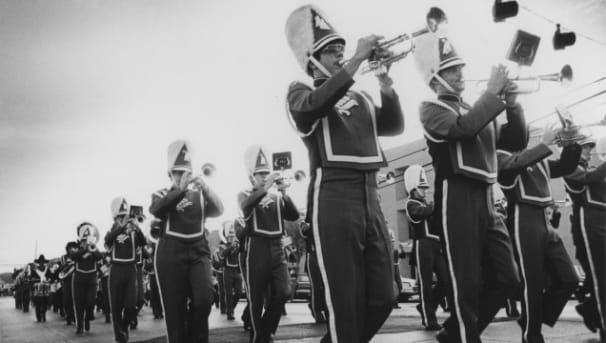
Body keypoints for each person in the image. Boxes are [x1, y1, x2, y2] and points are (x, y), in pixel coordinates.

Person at [285, 5, 405, 342]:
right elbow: (312, 107)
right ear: (313, 59)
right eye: (332, 52)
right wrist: (355, 60)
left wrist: (384, 80)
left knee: (385, 296)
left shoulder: (361, 95)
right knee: (345, 306)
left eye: (342, 51)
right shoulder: (300, 91)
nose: (340, 56)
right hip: (334, 196)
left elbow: (393, 126)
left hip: (370, 196)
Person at [413, 17, 524, 342]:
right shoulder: (430, 107)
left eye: (460, 67)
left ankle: (455, 333)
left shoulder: (474, 106)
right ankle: (464, 334)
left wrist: (513, 106)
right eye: (453, 69)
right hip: (456, 195)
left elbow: (514, 141)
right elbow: (463, 129)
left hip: (487, 198)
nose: (461, 73)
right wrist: (491, 94)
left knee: (509, 278)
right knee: (466, 283)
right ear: (436, 77)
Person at [497, 123, 581, 343]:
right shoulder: (500, 158)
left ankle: (531, 318)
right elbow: (514, 166)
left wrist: (570, 141)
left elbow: (565, 167)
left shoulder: (536, 158)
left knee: (569, 279)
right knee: (532, 282)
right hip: (523, 218)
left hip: (545, 220)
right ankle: (532, 335)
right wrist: (544, 143)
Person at [149, 139, 224, 343]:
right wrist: (180, 189)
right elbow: (155, 209)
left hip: (199, 250)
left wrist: (206, 188)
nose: (183, 176)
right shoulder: (161, 194)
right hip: (170, 253)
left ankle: (195, 336)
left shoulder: (200, 195)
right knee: (174, 312)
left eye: (186, 172)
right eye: (178, 172)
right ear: (169, 174)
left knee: (204, 300)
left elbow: (219, 209)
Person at [238, 145, 300, 343]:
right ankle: (258, 336)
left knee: (284, 292)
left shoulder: (275, 197)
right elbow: (246, 207)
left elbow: (294, 215)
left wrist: (284, 192)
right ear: (251, 177)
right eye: (260, 174)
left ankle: (264, 333)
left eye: (266, 173)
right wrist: (265, 187)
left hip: (276, 248)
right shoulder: (245, 195)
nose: (265, 176)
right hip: (256, 249)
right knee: (256, 299)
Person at [563, 135, 606, 340]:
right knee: (600, 278)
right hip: (588, 226)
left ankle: (590, 309)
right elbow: (589, 179)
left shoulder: (593, 169)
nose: (590, 150)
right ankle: (598, 318)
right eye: (585, 147)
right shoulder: (570, 168)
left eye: (591, 146)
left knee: (598, 278)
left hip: (599, 223)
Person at [404, 165, 450, 331]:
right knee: (425, 284)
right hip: (422, 245)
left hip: (436, 245)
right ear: (414, 189)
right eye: (422, 187)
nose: (425, 190)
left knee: (446, 281)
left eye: (425, 187)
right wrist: (437, 203)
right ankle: (429, 318)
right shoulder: (411, 203)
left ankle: (428, 306)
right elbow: (420, 213)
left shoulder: (427, 204)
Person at [105, 197, 147, 343]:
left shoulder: (134, 230)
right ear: (116, 218)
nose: (124, 219)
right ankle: (119, 336)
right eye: (121, 216)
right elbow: (107, 241)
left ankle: (124, 326)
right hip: (116, 270)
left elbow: (144, 243)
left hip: (131, 270)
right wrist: (122, 227)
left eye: (125, 216)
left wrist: (138, 227)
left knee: (131, 305)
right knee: (116, 308)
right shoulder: (113, 229)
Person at [70, 222, 103, 334]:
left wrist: (92, 248)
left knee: (91, 301)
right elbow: (73, 256)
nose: (85, 240)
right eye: (83, 238)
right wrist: (84, 248)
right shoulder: (74, 246)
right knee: (79, 303)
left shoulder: (94, 247)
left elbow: (99, 257)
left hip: (92, 277)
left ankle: (88, 317)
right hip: (78, 277)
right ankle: (79, 325)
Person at [221, 222, 243, 321]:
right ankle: (230, 312)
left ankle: (231, 308)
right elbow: (222, 256)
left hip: (237, 271)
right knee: (228, 293)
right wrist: (231, 246)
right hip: (228, 271)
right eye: (230, 236)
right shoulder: (224, 246)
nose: (231, 237)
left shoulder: (238, 245)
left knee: (238, 293)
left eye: (232, 235)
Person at [59, 242, 78, 325]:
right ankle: (68, 317)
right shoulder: (64, 257)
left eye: (73, 247)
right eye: (70, 248)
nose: (72, 249)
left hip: (77, 280)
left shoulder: (78, 256)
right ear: (67, 249)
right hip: (67, 280)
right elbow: (62, 268)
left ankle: (75, 316)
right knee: (67, 299)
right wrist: (68, 264)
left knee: (76, 299)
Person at [30, 254, 51, 323]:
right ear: (38, 263)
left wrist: (49, 279)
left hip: (45, 288)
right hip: (37, 288)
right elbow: (31, 278)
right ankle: (38, 317)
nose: (41, 263)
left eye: (42, 262)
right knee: (38, 303)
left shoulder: (47, 269)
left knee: (45, 303)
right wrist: (34, 280)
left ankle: (44, 315)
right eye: (40, 262)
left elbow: (51, 277)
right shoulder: (35, 270)